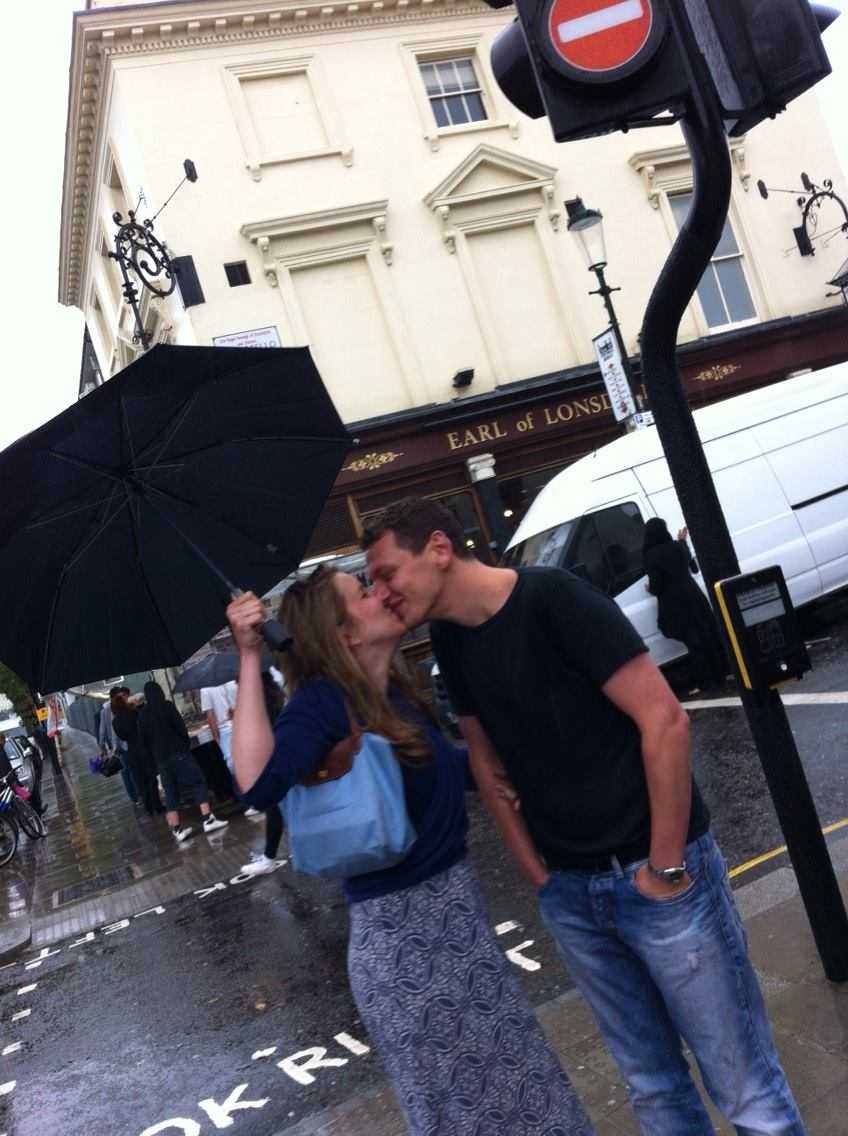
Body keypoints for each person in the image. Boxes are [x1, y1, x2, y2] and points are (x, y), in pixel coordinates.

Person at [362, 496, 805, 1136]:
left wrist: (666, 866)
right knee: (653, 1089)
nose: (380, 592)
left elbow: (666, 721)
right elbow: (486, 764)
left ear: (437, 547)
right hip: (572, 893)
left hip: (659, 882)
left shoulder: (554, 599)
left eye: (384, 573)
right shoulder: (452, 643)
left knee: (744, 1090)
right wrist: (542, 881)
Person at [227, 568, 595, 1136]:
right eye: (363, 594)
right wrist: (249, 657)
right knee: (465, 1113)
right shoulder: (323, 705)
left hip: (461, 932)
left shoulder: (397, 698)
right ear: (345, 632)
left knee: (523, 1089)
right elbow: (256, 783)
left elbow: (466, 771)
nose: (380, 594)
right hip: (406, 960)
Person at [643, 518, 728, 696]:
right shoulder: (677, 546)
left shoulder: (651, 555)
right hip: (694, 595)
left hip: (675, 603)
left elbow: (657, 586)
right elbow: (688, 558)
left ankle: (705, 683)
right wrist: (682, 540)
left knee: (694, 642)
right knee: (705, 636)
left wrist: (650, 589)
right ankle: (719, 676)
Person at [137, 681, 228, 842]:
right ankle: (208, 818)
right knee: (197, 781)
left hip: (161, 760)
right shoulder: (167, 706)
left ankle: (177, 829)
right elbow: (180, 727)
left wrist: (155, 759)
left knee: (171, 791)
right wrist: (184, 745)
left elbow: (143, 743)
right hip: (179, 753)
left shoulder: (143, 715)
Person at [240, 670, 287, 877]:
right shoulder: (273, 694)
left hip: (273, 757)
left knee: (274, 807)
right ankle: (268, 857)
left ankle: (268, 859)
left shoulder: (258, 702)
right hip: (283, 752)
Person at [111, 689, 162, 817]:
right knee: (151, 777)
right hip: (142, 747)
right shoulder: (132, 713)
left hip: (131, 751)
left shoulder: (115, 722)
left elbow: (121, 738)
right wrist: (135, 709)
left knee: (141, 779)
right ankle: (157, 805)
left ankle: (148, 808)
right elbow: (142, 725)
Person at [98, 684, 138, 803]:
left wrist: (102, 746)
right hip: (125, 744)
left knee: (125, 771)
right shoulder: (123, 709)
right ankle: (138, 794)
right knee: (132, 769)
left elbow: (102, 730)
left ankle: (133, 796)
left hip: (115, 747)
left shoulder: (104, 712)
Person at [200, 680, 238, 771]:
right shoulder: (235, 679)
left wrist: (216, 737)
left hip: (225, 731)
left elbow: (210, 716)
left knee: (234, 768)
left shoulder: (205, 688)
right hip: (243, 724)